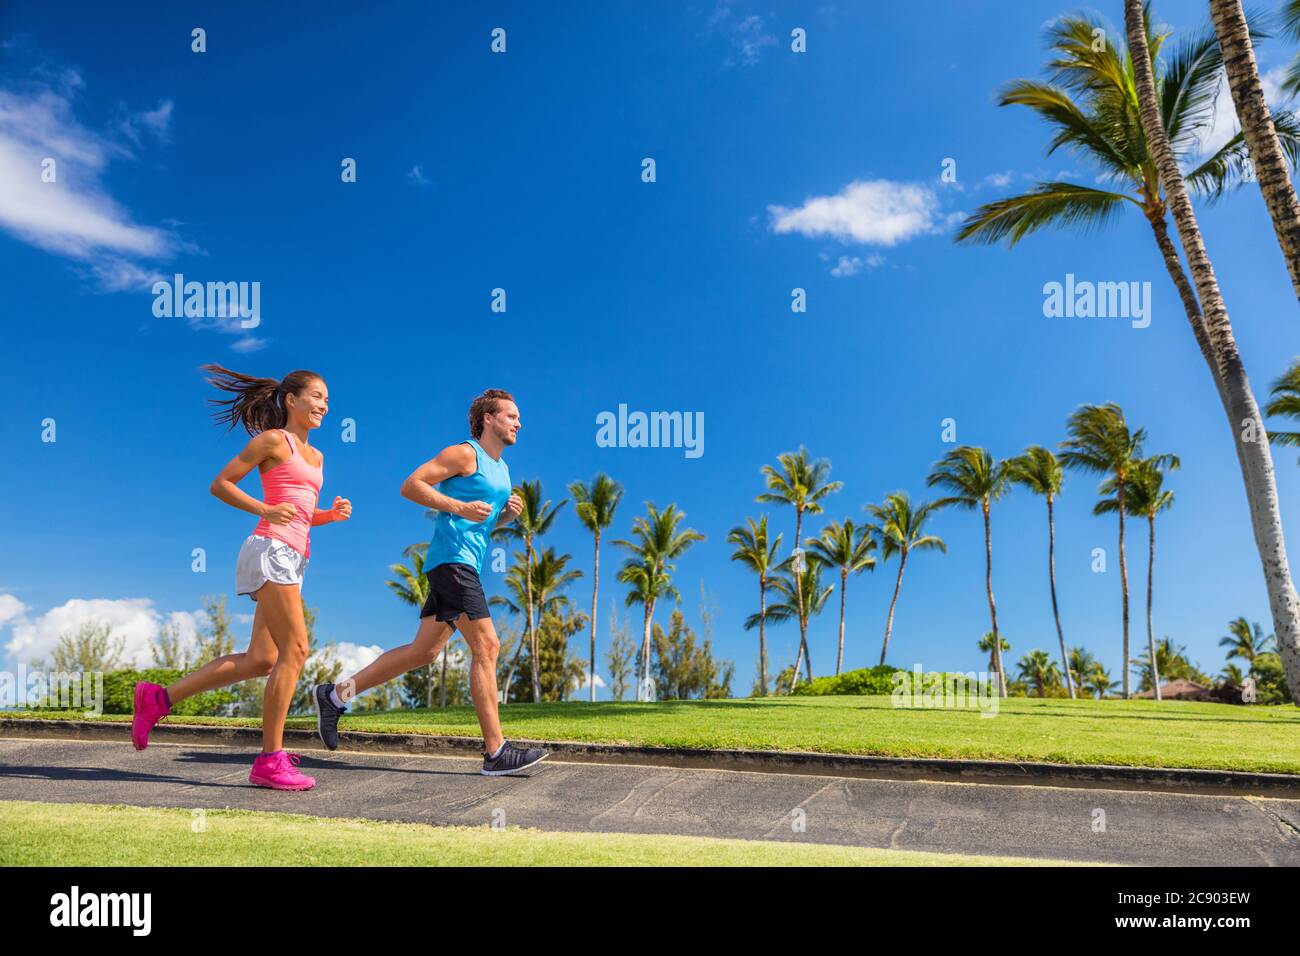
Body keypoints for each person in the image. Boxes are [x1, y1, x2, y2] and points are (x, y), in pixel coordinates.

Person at [131, 365, 351, 791]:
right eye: (318, 396)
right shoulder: (274, 441)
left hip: (294, 557)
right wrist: (264, 510)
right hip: (269, 550)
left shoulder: (317, 456)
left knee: (262, 659)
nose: (325, 404)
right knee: (298, 648)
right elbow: (222, 484)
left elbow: (301, 515)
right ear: (291, 399)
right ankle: (270, 760)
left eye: (328, 399)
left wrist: (329, 515)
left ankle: (158, 699)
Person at [313, 388, 547, 776]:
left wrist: (505, 517)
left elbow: (480, 523)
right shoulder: (464, 453)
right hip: (452, 562)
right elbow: (412, 485)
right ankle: (495, 752)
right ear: (488, 418)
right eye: (511, 416)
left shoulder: (502, 470)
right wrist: (457, 506)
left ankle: (335, 696)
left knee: (423, 653)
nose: (518, 423)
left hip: (464, 561)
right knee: (487, 646)